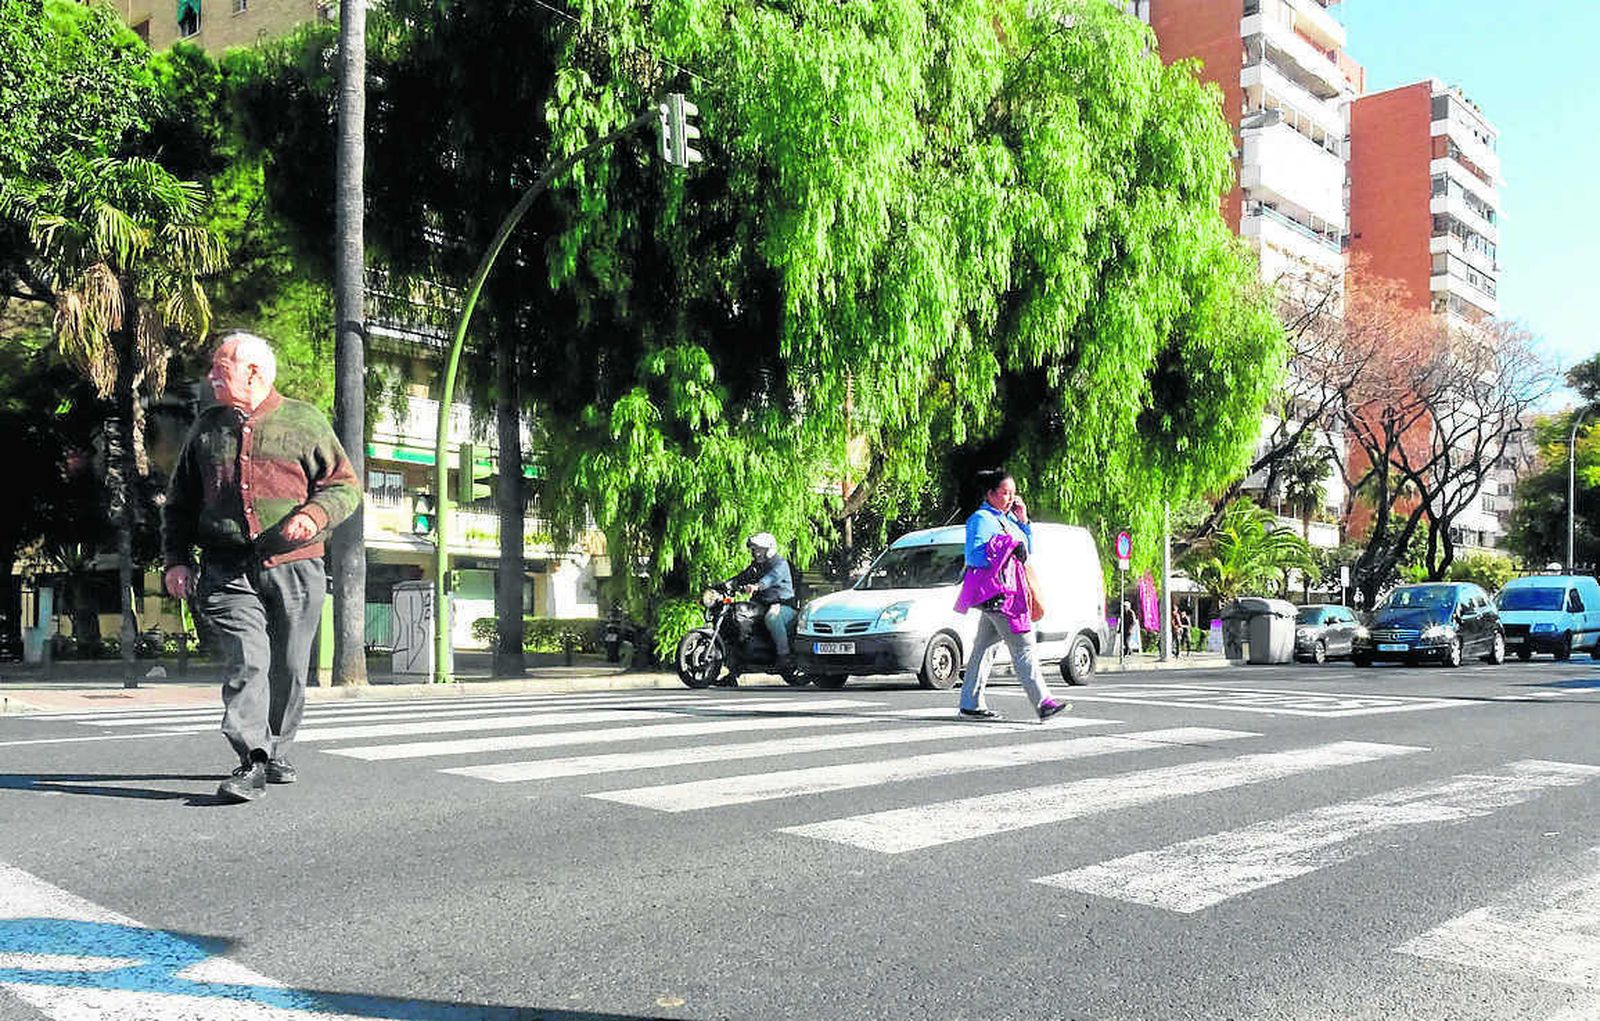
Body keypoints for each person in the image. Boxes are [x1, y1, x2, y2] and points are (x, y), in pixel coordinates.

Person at [162, 333, 361, 804]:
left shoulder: (304, 420)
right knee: (248, 660)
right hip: (225, 568)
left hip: (296, 566)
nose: (211, 374)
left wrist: (313, 516)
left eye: (220, 366)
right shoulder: (205, 428)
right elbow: (180, 503)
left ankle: (275, 749)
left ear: (253, 372)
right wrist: (175, 560)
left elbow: (345, 486)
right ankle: (251, 758)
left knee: (290, 666)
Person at [952, 469, 1069, 722]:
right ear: (990, 494)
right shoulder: (981, 518)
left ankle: (970, 704)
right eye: (1005, 493)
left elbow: (1029, 549)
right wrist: (1005, 548)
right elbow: (974, 556)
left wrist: (1024, 522)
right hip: (1000, 593)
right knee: (1024, 646)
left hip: (1009, 592)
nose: (1010, 498)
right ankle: (1044, 702)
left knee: (983, 649)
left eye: (1013, 493)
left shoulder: (1009, 519)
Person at [727, 532, 797, 669]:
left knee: (772, 617)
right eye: (754, 549)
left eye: (759, 549)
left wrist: (757, 586)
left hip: (782, 605)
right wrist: (724, 585)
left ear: (769, 549)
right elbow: (741, 577)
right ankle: (736, 666)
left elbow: (771, 578)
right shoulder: (756, 566)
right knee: (737, 618)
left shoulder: (780, 564)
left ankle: (785, 655)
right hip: (760, 604)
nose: (756, 553)